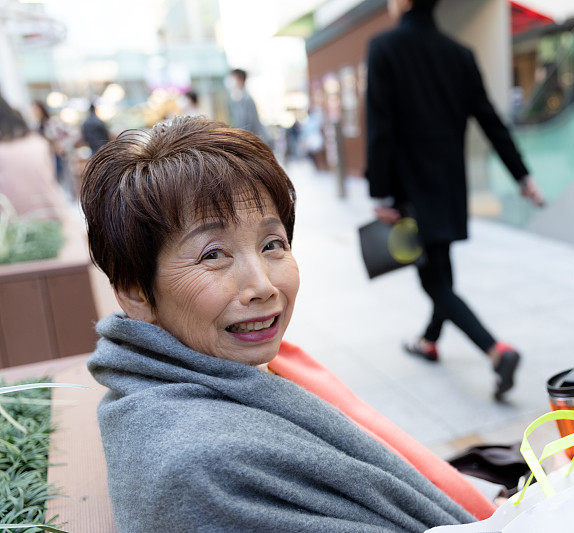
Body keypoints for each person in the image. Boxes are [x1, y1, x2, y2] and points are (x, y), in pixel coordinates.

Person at [81, 117, 492, 531]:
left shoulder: (229, 375)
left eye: (272, 244)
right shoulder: (203, 467)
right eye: (213, 255)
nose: (262, 285)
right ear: (135, 292)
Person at [365, 0, 545, 401]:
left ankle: (497, 351)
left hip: (408, 190)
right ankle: (429, 341)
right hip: (448, 188)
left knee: (433, 282)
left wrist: (379, 191)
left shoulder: (384, 48)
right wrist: (523, 176)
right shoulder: (458, 54)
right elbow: (490, 120)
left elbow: (380, 126)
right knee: (441, 270)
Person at [0, 94, 65, 219]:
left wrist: (57, 146)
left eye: (35, 109)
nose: (33, 112)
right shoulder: (35, 138)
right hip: (49, 214)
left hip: (54, 157)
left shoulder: (49, 125)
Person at [228, 68, 265, 137]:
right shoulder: (238, 98)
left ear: (240, 79)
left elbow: (248, 124)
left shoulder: (246, 99)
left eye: (233, 78)